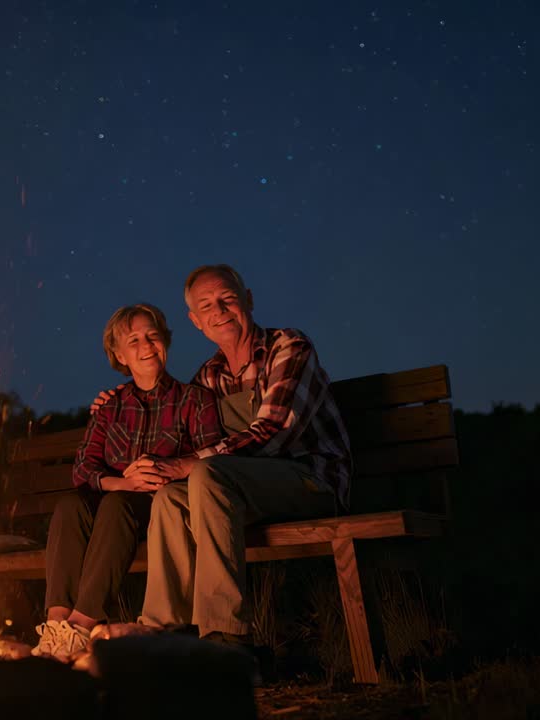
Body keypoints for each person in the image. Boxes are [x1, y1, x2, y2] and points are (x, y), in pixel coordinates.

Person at [93, 264, 352, 650]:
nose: (219, 310)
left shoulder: (289, 348)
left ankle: (224, 636)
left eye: (227, 299)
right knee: (170, 499)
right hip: (245, 488)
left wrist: (188, 463)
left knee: (206, 474)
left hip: (310, 480)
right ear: (196, 321)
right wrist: (117, 402)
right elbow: (177, 430)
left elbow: (274, 432)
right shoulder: (208, 377)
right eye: (206, 306)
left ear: (247, 300)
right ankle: (164, 630)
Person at [32, 303, 222, 661]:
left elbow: (210, 459)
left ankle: (82, 624)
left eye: (153, 335)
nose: (146, 345)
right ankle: (56, 623)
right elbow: (83, 470)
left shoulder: (194, 400)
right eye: (133, 340)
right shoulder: (110, 406)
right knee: (71, 505)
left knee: (117, 505)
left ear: (165, 341)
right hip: (118, 500)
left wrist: (162, 473)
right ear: (119, 354)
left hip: (162, 508)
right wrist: (123, 482)